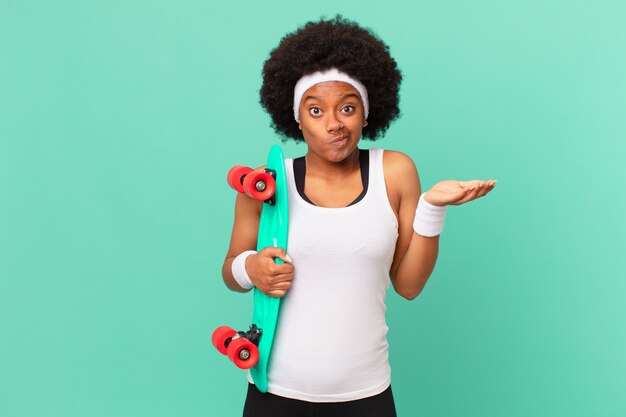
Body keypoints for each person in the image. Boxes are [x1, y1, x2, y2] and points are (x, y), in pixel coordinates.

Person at [221, 15, 496, 417]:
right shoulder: (264, 186)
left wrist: (432, 209)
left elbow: (409, 285)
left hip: (366, 394)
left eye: (347, 108)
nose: (334, 124)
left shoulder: (395, 171)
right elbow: (231, 272)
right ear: (296, 117)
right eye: (315, 111)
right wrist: (251, 268)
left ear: (366, 114)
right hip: (274, 393)